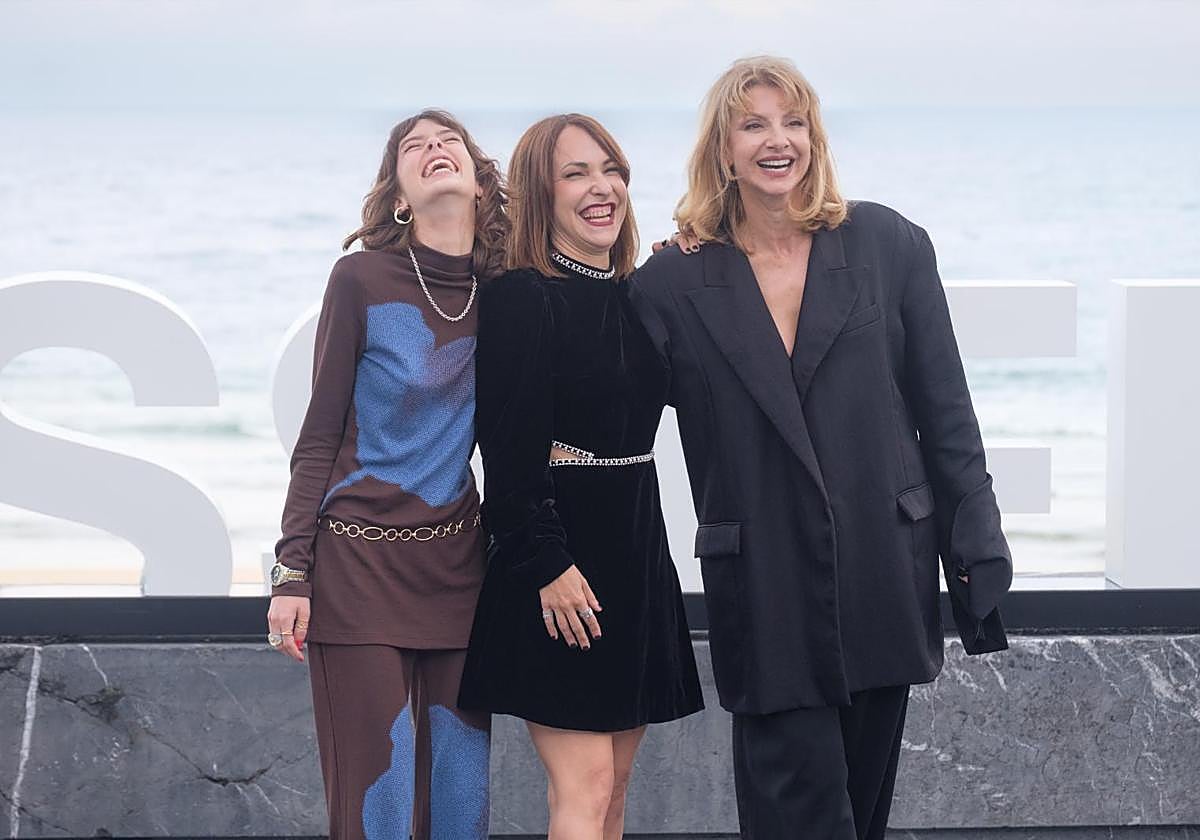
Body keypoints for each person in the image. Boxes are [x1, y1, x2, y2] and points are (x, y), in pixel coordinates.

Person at [629, 56, 1013, 840]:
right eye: (754, 124)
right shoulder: (670, 283)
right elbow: (610, 425)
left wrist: (974, 546)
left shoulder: (888, 244)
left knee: (860, 820)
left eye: (794, 121)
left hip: (882, 570)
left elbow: (947, 414)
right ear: (723, 150)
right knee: (799, 817)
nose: (779, 140)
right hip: (765, 589)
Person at [458, 114, 704, 840]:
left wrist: (689, 266)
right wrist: (547, 565)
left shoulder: (638, 295)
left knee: (614, 789)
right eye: (576, 174)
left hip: (636, 552)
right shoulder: (521, 296)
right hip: (560, 561)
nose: (602, 188)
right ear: (542, 193)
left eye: (611, 169)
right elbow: (505, 454)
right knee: (587, 784)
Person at [267, 109, 508, 840]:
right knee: (378, 807)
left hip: (460, 573)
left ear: (478, 181)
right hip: (357, 569)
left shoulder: (508, 290)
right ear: (400, 196)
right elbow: (319, 435)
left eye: (448, 140)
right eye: (415, 147)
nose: (434, 148)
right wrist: (292, 571)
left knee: (460, 811)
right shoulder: (361, 280)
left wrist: (685, 245)